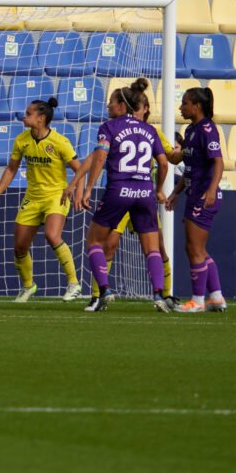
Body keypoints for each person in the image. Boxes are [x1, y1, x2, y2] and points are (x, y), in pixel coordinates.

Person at [66, 78, 171, 312]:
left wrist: (89, 187)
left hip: (119, 189)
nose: (108, 106)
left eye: (111, 102)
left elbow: (100, 157)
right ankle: (159, 295)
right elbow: (163, 164)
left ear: (122, 105)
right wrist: (159, 189)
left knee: (94, 240)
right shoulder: (150, 130)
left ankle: (103, 291)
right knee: (152, 248)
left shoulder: (109, 128)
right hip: (145, 191)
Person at [0, 97, 83, 302]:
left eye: (29, 113)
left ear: (41, 118)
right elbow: (11, 169)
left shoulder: (59, 142)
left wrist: (78, 193)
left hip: (55, 195)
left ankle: (74, 283)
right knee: (20, 247)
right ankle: (28, 286)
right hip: (32, 197)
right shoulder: (22, 140)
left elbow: (80, 169)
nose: (24, 116)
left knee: (52, 235)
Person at [166, 87, 227, 313]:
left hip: (203, 196)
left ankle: (197, 301)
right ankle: (217, 297)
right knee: (199, 248)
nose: (181, 107)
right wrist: (175, 192)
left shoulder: (207, 130)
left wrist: (211, 190)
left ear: (197, 106)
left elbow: (218, 162)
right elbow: (190, 168)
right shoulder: (191, 130)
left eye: (184, 103)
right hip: (194, 194)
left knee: (194, 249)